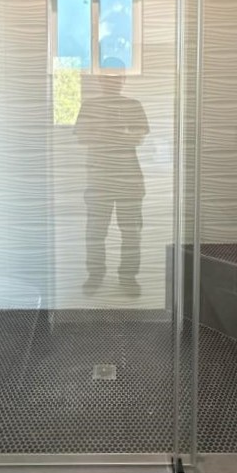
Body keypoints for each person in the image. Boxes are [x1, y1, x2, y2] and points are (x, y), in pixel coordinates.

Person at [75, 59, 149, 297]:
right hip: (99, 179)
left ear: (124, 78)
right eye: (108, 76)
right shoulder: (89, 106)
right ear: (99, 78)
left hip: (129, 180)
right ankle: (95, 274)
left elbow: (138, 137)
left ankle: (128, 277)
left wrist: (104, 134)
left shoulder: (133, 105)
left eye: (117, 76)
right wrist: (121, 134)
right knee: (96, 231)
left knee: (131, 232)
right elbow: (83, 137)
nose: (113, 81)